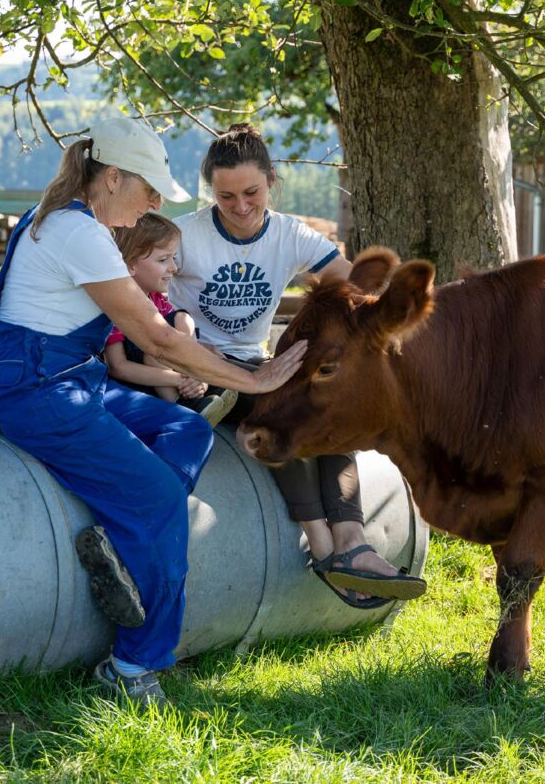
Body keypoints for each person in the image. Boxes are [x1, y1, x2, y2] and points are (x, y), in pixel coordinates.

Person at [0, 117, 307, 707]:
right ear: (114, 177)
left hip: (70, 380)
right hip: (37, 389)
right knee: (156, 497)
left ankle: (125, 541)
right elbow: (160, 340)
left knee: (183, 427)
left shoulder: (64, 219)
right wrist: (256, 376)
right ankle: (131, 666)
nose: (155, 203)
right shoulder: (81, 234)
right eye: (148, 188)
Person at [169, 123, 427, 608]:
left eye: (252, 192)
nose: (241, 207)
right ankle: (325, 547)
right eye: (226, 197)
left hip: (258, 360)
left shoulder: (289, 234)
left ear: (271, 179)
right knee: (285, 417)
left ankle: (353, 540)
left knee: (328, 409)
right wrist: (180, 355)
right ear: (211, 192)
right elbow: (147, 296)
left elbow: (351, 292)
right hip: (202, 367)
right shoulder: (185, 236)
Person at [106, 213, 237, 425]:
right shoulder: (115, 305)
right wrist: (179, 379)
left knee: (182, 319)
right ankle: (183, 405)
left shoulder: (155, 299)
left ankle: (196, 380)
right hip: (136, 379)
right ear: (130, 264)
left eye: (173, 258)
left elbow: (176, 339)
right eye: (162, 259)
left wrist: (192, 374)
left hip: (169, 369)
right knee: (154, 353)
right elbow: (118, 366)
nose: (174, 268)